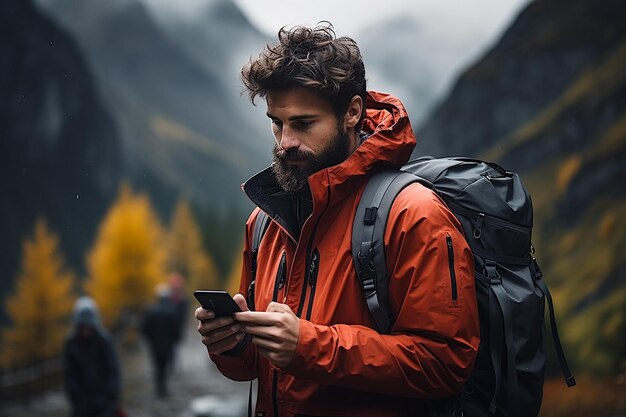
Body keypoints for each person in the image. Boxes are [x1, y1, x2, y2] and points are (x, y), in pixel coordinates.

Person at [196, 23, 480, 417]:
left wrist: (309, 347)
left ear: (353, 112)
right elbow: (256, 368)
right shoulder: (263, 222)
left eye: (303, 123)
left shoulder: (413, 215)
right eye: (277, 123)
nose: (284, 142)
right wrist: (234, 344)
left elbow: (445, 363)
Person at [63, 296, 121, 417]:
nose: (86, 331)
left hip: (103, 399)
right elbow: (70, 373)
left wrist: (110, 395)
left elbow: (112, 369)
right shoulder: (71, 344)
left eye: (88, 327)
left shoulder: (104, 341)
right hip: (81, 401)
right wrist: (75, 396)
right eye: (83, 327)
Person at [141, 284, 180, 398]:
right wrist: (175, 339)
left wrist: (149, 339)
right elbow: (175, 328)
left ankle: (158, 386)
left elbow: (145, 328)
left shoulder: (151, 311)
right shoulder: (171, 311)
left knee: (157, 365)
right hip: (167, 344)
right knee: (164, 365)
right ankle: (163, 387)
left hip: (155, 344)